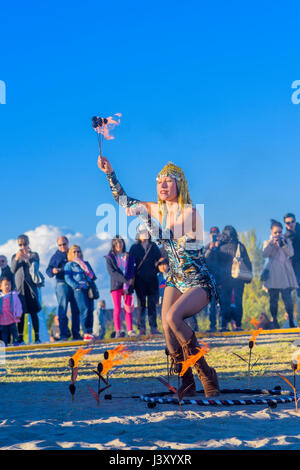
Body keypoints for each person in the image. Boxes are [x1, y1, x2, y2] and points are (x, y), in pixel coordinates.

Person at [98, 156, 219, 398]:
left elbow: (170, 236)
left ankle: (205, 371)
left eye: (168, 181)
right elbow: (124, 202)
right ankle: (186, 378)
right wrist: (110, 173)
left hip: (197, 279)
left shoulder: (190, 212)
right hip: (175, 278)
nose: (162, 186)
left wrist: (145, 216)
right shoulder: (155, 208)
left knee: (175, 317)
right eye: (159, 182)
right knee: (166, 324)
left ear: (179, 185)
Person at [262, 219, 298, 328]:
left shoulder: (287, 241)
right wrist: (272, 244)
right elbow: (264, 254)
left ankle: (291, 319)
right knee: (273, 299)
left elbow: (291, 253)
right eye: (275, 232)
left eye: (280, 232)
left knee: (287, 298)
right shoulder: (267, 243)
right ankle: (275, 320)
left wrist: (283, 245)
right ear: (271, 233)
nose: (278, 234)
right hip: (273, 274)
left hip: (285, 273)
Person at [217, 225, 252, 331]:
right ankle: (238, 325)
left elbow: (217, 265)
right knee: (238, 301)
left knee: (224, 302)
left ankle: (224, 325)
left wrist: (217, 280)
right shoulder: (239, 246)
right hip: (238, 279)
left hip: (224, 279)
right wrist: (248, 278)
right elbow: (248, 263)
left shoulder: (220, 247)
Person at [46, 236, 81, 340]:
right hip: (62, 284)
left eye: (64, 244)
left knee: (76, 310)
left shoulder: (73, 253)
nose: (62, 246)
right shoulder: (56, 256)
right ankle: (64, 335)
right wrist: (53, 271)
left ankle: (76, 334)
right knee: (63, 309)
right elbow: (48, 270)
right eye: (60, 245)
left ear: (68, 243)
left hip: (74, 284)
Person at [129, 225, 162, 335]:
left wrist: (160, 266)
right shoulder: (134, 248)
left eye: (147, 231)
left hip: (152, 278)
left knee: (152, 304)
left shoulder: (153, 246)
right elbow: (130, 265)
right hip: (139, 279)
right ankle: (141, 328)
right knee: (141, 305)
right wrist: (130, 279)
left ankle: (154, 328)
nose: (146, 233)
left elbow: (160, 259)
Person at [11, 234, 41, 344]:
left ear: (28, 244)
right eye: (20, 244)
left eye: (25, 244)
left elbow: (36, 267)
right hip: (20, 290)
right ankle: (20, 338)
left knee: (34, 312)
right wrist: (16, 259)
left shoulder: (34, 255)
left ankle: (37, 338)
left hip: (31, 288)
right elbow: (12, 270)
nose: (23, 246)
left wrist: (28, 259)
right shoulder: (15, 256)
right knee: (20, 314)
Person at [105, 236, 136, 338]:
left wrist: (130, 280)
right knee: (117, 309)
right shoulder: (110, 258)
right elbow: (112, 273)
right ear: (113, 245)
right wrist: (126, 280)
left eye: (120, 242)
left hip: (128, 286)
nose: (119, 245)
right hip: (116, 286)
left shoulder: (129, 256)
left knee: (128, 308)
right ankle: (118, 330)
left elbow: (132, 269)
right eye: (116, 243)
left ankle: (130, 330)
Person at [64, 245, 97, 341]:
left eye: (78, 251)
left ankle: (90, 331)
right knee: (84, 309)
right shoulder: (69, 265)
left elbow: (93, 276)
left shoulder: (86, 263)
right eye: (74, 252)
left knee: (91, 309)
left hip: (89, 288)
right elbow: (67, 278)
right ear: (70, 254)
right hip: (79, 289)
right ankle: (86, 332)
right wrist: (76, 285)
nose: (76, 253)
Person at [203, 226, 221, 332]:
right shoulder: (206, 247)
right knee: (212, 305)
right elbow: (204, 261)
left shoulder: (223, 247)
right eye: (213, 234)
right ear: (210, 235)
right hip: (210, 281)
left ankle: (223, 326)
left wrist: (218, 249)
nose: (214, 235)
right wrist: (210, 249)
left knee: (223, 305)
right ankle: (212, 326)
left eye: (216, 233)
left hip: (221, 280)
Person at [284, 213, 300, 321]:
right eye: (288, 223)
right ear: (285, 224)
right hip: (294, 267)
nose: (291, 224)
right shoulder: (286, 237)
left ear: (295, 221)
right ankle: (292, 318)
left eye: (292, 222)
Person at [0, 276, 23, 346]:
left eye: (9, 284)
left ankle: (16, 343)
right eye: (5, 284)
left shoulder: (14, 295)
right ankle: (5, 344)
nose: (7, 286)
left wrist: (18, 314)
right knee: (4, 333)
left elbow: (18, 305)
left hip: (12, 318)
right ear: (0, 287)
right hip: (2, 320)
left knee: (14, 331)